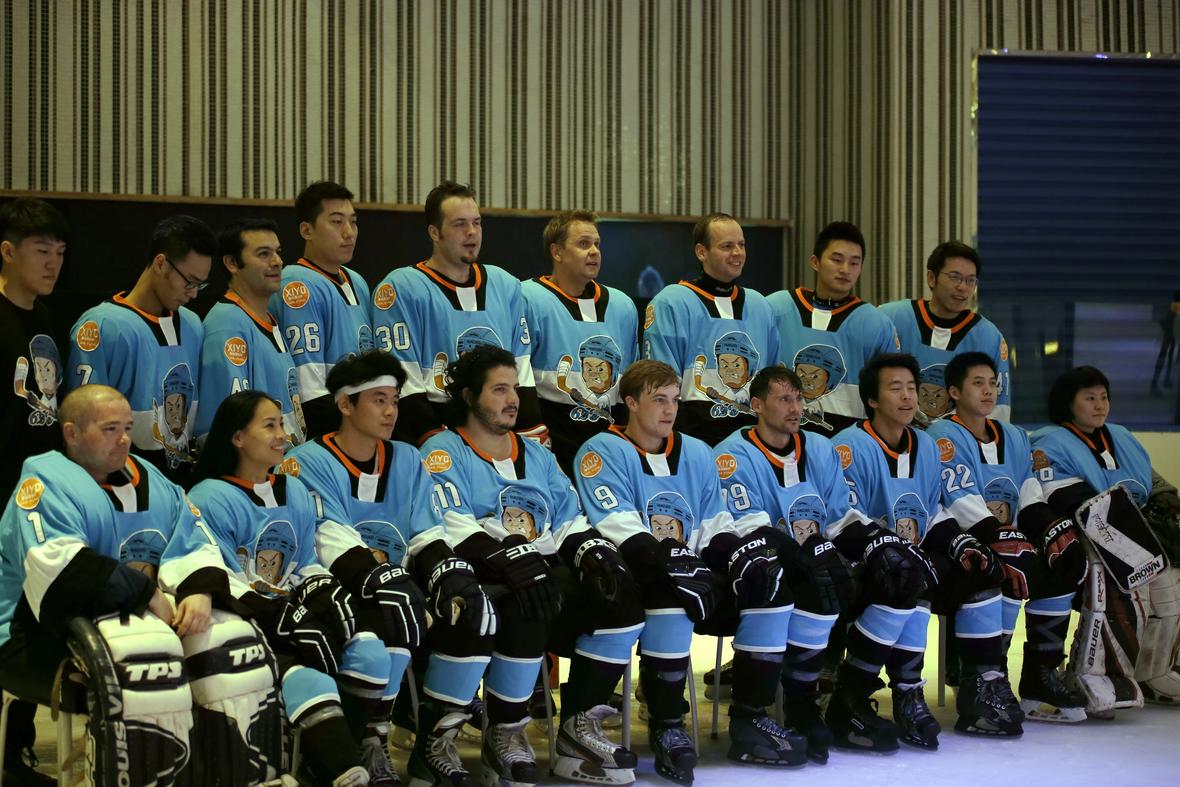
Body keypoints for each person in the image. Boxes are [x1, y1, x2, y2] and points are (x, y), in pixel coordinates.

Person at [0, 385, 272, 784]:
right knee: (143, 662)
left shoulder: (151, 478)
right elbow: (61, 570)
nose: (124, 439)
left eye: (127, 428)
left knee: (231, 649)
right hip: (30, 635)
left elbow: (193, 538)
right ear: (72, 433)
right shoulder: (44, 479)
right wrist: (146, 594)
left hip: (136, 621)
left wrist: (198, 589)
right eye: (110, 429)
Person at [420, 345, 642, 787]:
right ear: (469, 396)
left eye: (515, 389)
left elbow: (568, 516)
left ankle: (578, 729)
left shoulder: (537, 453)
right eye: (499, 389)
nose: (513, 399)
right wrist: (507, 557)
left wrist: (591, 550)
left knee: (620, 598)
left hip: (543, 567)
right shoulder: (442, 450)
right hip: (483, 576)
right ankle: (504, 732)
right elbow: (449, 521)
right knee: (527, 604)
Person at [574, 360, 799, 783]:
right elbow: (617, 523)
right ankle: (666, 724)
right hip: (636, 575)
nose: (669, 409)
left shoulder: (697, 451)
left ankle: (750, 718)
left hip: (695, 569)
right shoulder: (600, 450)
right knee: (669, 596)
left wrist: (735, 556)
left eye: (675, 400)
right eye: (659, 399)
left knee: (768, 586)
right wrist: (674, 563)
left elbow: (715, 521)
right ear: (631, 402)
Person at [190, 391, 395, 785]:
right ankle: (342, 769)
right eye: (269, 426)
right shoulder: (208, 497)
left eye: (282, 424)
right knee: (308, 679)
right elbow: (218, 574)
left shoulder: (294, 489)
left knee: (370, 653)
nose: (282, 435)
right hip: (245, 619)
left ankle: (327, 763)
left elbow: (303, 562)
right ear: (237, 438)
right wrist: (277, 614)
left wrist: (324, 589)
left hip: (293, 610)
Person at [829, 352, 1021, 752]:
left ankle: (982, 685)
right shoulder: (847, 447)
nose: (907, 397)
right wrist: (888, 548)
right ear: (872, 399)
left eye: (911, 388)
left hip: (911, 561)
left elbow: (933, 510)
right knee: (909, 576)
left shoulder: (926, 445)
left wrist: (960, 541)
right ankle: (904, 691)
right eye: (895, 388)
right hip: (861, 564)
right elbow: (841, 519)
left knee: (982, 571)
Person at [283, 350, 448, 784]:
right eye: (378, 400)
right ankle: (370, 737)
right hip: (332, 591)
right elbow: (326, 536)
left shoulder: (407, 458)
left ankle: (436, 741)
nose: (391, 411)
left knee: (469, 609)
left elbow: (426, 530)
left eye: (394, 400)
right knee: (390, 612)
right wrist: (383, 578)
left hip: (399, 584)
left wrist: (449, 574)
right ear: (345, 404)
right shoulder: (307, 460)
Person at [927, 352, 1090, 722]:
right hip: (963, 544)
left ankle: (1040, 674)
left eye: (992, 383)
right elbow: (958, 499)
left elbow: (1029, 492)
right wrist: (1002, 538)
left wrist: (1050, 528)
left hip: (1012, 539)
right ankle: (991, 676)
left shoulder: (1015, 436)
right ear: (954, 391)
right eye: (977, 383)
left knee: (1060, 564)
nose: (988, 391)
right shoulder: (941, 436)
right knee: (1008, 565)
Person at [710, 366, 858, 763]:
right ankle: (749, 714)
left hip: (808, 561)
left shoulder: (821, 448)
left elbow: (840, 516)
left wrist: (875, 543)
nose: (796, 409)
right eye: (784, 399)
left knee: (843, 578)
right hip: (759, 565)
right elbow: (749, 528)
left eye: (799, 398)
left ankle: (804, 704)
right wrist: (811, 558)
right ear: (757, 405)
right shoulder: (730, 455)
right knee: (790, 580)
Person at [1031, 366, 1180, 712]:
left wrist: (1169, 504)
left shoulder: (1121, 436)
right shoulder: (1048, 442)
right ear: (1068, 403)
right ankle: (1093, 673)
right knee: (1117, 584)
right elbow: (1063, 496)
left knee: (1170, 583)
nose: (1100, 405)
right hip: (1089, 536)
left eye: (1104, 397)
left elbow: (1153, 483)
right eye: (1089, 398)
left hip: (1139, 534)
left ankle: (1154, 670)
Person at [371, 181, 547, 447]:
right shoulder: (402, 288)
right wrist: (433, 439)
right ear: (434, 232)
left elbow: (520, 369)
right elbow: (403, 379)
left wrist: (530, 431)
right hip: (435, 427)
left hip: (498, 428)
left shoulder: (505, 285)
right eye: (459, 224)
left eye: (477, 223)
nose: (471, 232)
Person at [0, 197, 70, 783]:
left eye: (60, 252)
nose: (53, 263)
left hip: (36, 497)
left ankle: (18, 748)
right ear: (7, 252)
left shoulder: (47, 320)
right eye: (41, 251)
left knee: (32, 618)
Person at [66, 214, 212, 483]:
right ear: (160, 263)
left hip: (180, 481)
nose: (193, 293)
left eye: (200, 285)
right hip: (121, 482)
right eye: (189, 281)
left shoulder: (193, 324)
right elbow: (83, 424)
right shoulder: (101, 326)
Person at [642, 213, 778, 446]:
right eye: (727, 246)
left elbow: (770, 382)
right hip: (690, 442)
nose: (737, 253)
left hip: (753, 445)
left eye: (741, 245)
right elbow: (658, 384)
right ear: (701, 252)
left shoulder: (761, 306)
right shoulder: (671, 302)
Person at [522, 210, 639, 474]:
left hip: (610, 446)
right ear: (557, 252)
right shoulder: (527, 298)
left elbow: (630, 381)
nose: (594, 251)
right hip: (550, 445)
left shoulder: (622, 306)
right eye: (584, 244)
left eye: (597, 244)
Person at [767, 221, 897, 436]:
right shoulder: (776, 307)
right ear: (815, 262)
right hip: (780, 437)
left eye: (854, 263)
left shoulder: (876, 324)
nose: (845, 270)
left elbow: (888, 389)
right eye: (837, 260)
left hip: (847, 441)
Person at [271, 181, 372, 439]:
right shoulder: (297, 283)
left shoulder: (357, 281)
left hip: (359, 419)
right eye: (337, 222)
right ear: (307, 230)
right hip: (324, 430)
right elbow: (309, 389)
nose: (349, 232)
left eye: (353, 222)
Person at [198, 218, 305, 444]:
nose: (277, 262)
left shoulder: (268, 318)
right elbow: (230, 425)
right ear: (232, 263)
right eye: (264, 254)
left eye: (278, 252)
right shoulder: (227, 323)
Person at [880, 241, 1012, 423]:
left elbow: (997, 409)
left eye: (970, 280)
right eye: (955, 277)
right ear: (931, 278)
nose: (963, 287)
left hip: (958, 438)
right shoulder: (890, 319)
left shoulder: (989, 337)